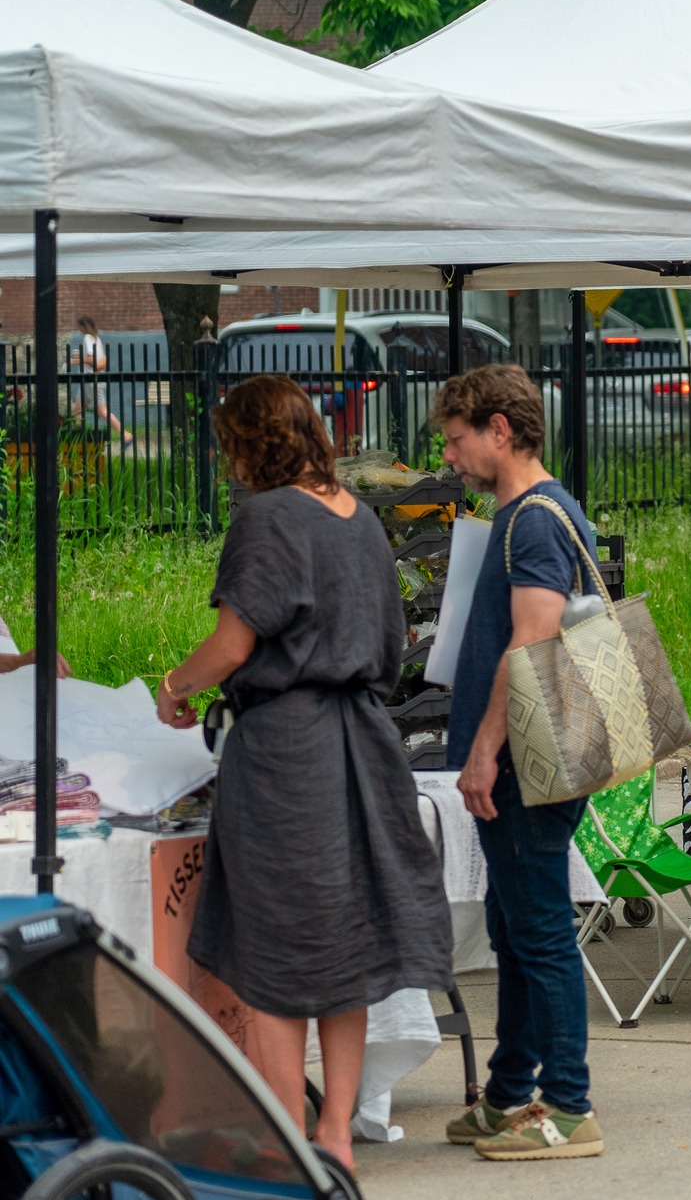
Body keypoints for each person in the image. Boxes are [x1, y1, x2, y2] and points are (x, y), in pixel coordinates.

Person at [155, 375, 451, 1172]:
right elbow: (393, 646)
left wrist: (176, 686)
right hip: (364, 738)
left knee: (277, 944)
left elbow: (233, 644)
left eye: (231, 445)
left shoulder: (267, 517)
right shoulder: (358, 519)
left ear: (253, 442)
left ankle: (288, 1130)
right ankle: (334, 1133)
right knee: (343, 943)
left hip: (288, 749)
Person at [438, 363, 605, 1160]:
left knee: (538, 929)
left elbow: (532, 638)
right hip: (526, 757)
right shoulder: (526, 512)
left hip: (523, 761)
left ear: (499, 429)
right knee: (513, 924)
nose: (451, 456)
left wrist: (482, 748)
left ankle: (569, 1105)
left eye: (458, 438)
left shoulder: (533, 519)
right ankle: (509, 1090)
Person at [71, 314, 131, 447]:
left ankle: (125, 434)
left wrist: (75, 360)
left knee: (102, 411)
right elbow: (101, 359)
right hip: (88, 379)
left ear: (83, 326)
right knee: (78, 408)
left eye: (80, 326)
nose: (79, 329)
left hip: (91, 380)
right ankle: (78, 438)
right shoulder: (97, 339)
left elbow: (91, 360)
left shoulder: (87, 338)